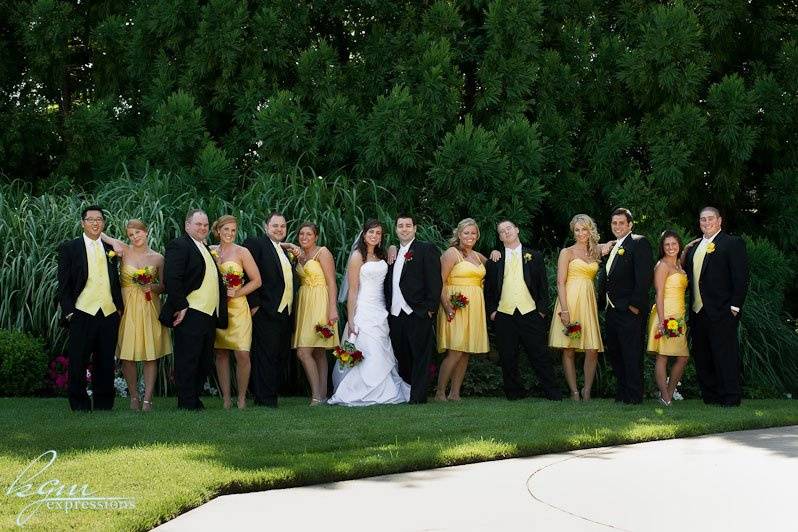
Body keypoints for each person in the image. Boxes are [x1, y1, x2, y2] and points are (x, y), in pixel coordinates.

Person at [329, 219, 410, 406]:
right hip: (363, 309)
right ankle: (358, 391)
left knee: (381, 349)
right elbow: (353, 290)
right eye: (371, 232)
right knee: (367, 348)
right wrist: (351, 319)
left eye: (378, 233)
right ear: (364, 234)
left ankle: (385, 389)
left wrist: (392, 247)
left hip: (380, 309)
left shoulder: (382, 255)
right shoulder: (358, 256)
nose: (374, 236)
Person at [485, 220, 562, 401]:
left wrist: (541, 311)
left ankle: (553, 393)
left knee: (540, 354)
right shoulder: (495, 260)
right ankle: (514, 393)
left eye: (508, 228)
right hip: (504, 314)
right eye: (501, 231)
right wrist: (492, 312)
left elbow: (543, 287)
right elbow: (488, 291)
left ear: (517, 230)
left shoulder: (534, 256)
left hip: (530, 313)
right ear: (500, 237)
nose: (506, 232)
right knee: (507, 356)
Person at [159, 209, 228, 410]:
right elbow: (172, 278)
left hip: (208, 314)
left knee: (203, 360)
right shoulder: (179, 245)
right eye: (198, 224)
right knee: (188, 358)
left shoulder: (204, 248)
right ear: (187, 225)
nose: (203, 228)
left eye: (205, 225)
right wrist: (181, 306)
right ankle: (186, 401)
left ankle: (194, 398)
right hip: (190, 311)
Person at [58, 206, 124, 411]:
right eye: (90, 219)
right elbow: (64, 284)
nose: (95, 223)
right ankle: (79, 405)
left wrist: (118, 308)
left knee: (105, 362)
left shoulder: (110, 248)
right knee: (78, 361)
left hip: (108, 312)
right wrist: (69, 312)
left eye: (99, 219)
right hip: (82, 312)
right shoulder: (70, 248)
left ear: (103, 224)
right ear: (82, 223)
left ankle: (104, 404)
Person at [102, 219, 171, 411]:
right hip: (127, 307)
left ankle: (147, 399)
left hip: (149, 305)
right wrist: (114, 242)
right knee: (127, 355)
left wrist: (151, 286)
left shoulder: (158, 258)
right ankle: (133, 397)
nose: (135, 237)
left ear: (146, 232)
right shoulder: (123, 250)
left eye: (138, 233)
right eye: (131, 235)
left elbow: (164, 286)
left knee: (151, 355)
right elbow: (100, 234)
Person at [683, 207, 748, 406]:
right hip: (698, 311)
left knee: (725, 355)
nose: (706, 222)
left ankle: (730, 397)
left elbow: (741, 277)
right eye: (703, 219)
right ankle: (710, 397)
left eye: (711, 218)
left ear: (719, 221)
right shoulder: (694, 247)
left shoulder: (731, 243)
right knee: (703, 355)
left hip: (722, 310)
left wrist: (735, 307)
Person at [597, 208, 653, 404]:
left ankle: (634, 396)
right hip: (612, 310)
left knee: (631, 353)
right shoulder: (613, 247)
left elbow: (643, 278)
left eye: (621, 223)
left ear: (630, 224)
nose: (618, 226)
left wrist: (634, 306)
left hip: (630, 310)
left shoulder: (639, 242)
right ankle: (622, 393)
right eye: (614, 223)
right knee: (616, 353)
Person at [384, 215, 442, 404]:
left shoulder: (426, 249)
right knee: (402, 354)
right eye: (400, 225)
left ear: (415, 228)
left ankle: (418, 398)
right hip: (395, 314)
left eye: (408, 225)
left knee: (420, 356)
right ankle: (407, 389)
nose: (404, 229)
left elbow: (435, 281)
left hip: (418, 312)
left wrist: (430, 309)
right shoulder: (391, 253)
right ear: (396, 229)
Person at [548, 214, 604, 401]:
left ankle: (587, 391)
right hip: (570, 300)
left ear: (590, 230)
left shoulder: (595, 251)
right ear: (573, 231)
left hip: (588, 302)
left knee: (592, 349)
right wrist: (564, 310)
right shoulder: (567, 252)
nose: (581, 233)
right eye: (577, 230)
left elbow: (617, 243)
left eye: (584, 229)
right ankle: (574, 392)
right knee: (569, 347)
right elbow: (560, 282)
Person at [283, 223, 339, 405]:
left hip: (320, 302)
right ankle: (322, 395)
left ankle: (316, 395)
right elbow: (278, 244)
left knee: (303, 352)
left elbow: (331, 282)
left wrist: (332, 308)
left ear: (316, 236)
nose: (304, 237)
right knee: (318, 353)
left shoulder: (322, 252)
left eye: (309, 234)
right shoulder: (299, 255)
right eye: (301, 234)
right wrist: (291, 246)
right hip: (305, 303)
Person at [243, 212, 295, 408]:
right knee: (265, 355)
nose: (279, 229)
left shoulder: (282, 250)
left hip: (284, 312)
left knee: (278, 354)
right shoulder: (256, 244)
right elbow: (247, 274)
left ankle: (270, 394)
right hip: (265, 309)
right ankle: (264, 398)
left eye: (282, 226)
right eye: (275, 226)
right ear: (266, 227)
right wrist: (254, 304)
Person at [434, 218, 489, 401]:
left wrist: (496, 252)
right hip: (456, 307)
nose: (470, 236)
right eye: (466, 233)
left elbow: (495, 268)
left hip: (474, 308)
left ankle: (455, 393)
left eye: (473, 233)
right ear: (459, 234)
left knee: (465, 350)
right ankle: (440, 392)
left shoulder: (478, 256)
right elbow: (439, 281)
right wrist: (447, 306)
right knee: (455, 349)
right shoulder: (451, 253)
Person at [211, 215, 261, 410]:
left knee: (242, 353)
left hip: (239, 307)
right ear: (218, 231)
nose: (230, 234)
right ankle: (225, 398)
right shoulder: (211, 251)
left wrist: (238, 291)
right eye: (226, 230)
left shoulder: (243, 252)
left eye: (233, 230)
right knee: (221, 353)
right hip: (219, 308)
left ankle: (241, 398)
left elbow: (257, 280)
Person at [646, 230, 689, 406]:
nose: (671, 247)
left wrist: (691, 245)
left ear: (679, 245)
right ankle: (665, 395)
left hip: (679, 314)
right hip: (666, 313)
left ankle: (668, 395)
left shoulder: (679, 264)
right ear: (662, 248)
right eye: (667, 245)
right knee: (663, 356)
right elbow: (659, 294)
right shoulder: (662, 266)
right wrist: (663, 321)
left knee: (682, 357)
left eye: (674, 244)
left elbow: (685, 252)